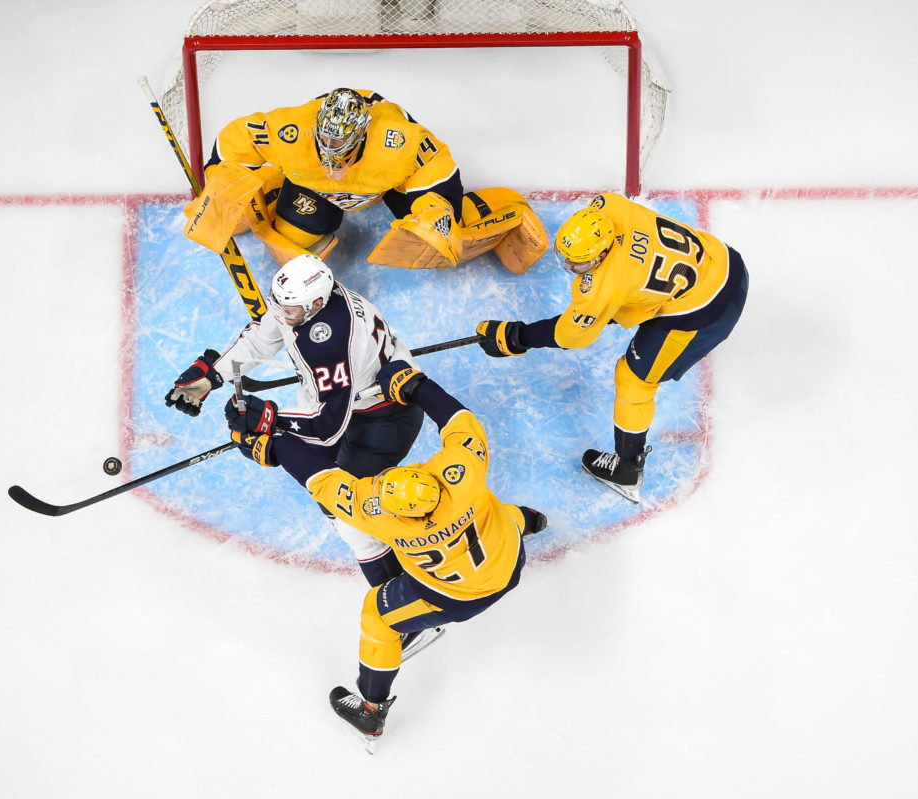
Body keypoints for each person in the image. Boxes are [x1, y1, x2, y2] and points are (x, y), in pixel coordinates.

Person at [228, 359, 547, 741]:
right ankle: (531, 520)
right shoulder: (460, 475)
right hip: (510, 557)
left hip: (460, 597)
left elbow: (320, 478)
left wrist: (272, 445)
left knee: (376, 617)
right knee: (499, 514)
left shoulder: (377, 512)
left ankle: (371, 709)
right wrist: (415, 385)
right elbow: (460, 420)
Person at [164, 253, 424, 588]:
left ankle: (407, 607)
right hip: (345, 397)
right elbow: (263, 336)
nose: (282, 315)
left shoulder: (329, 341)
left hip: (384, 416)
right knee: (328, 490)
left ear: (317, 304)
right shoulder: (298, 302)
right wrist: (213, 376)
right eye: (280, 306)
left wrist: (271, 421)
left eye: (289, 312)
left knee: (345, 509)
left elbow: (327, 427)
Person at [475, 192, 749, 503]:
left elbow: (572, 336)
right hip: (724, 260)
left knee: (634, 379)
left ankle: (628, 470)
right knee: (633, 308)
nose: (568, 266)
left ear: (602, 255)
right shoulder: (609, 206)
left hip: (705, 310)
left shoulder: (607, 283)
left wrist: (516, 337)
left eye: (577, 264)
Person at [180, 88, 547, 274]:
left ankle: (492, 207)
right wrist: (219, 181)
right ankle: (270, 185)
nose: (331, 160)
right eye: (324, 144)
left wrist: (435, 210)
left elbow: (437, 163)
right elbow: (236, 139)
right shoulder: (290, 130)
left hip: (385, 185)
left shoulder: (397, 141)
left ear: (362, 136)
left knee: (440, 235)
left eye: (341, 148)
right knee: (292, 246)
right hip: (312, 188)